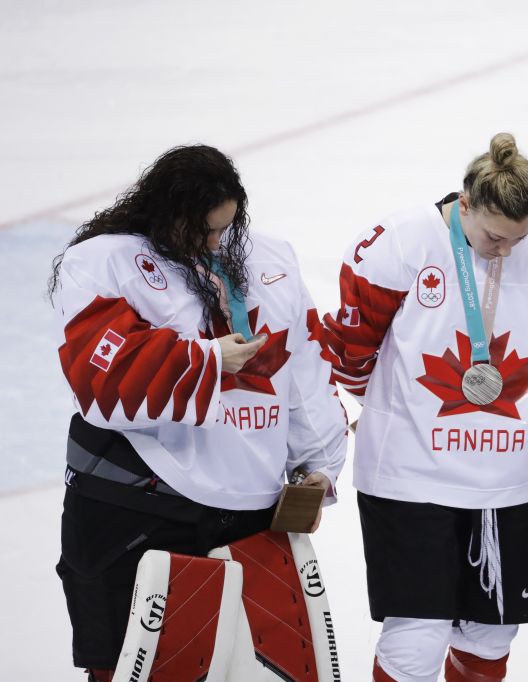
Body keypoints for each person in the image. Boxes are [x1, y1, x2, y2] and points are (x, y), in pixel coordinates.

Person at [50, 144, 347, 681]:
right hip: (141, 511)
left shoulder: (270, 258)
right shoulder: (103, 260)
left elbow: (304, 369)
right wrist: (208, 360)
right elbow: (99, 383)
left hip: (251, 519)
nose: (214, 243)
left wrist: (318, 463)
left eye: (224, 228)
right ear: (165, 212)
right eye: (202, 230)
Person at [322, 132, 528, 682]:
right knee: (416, 639)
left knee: (491, 637)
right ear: (464, 204)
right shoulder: (400, 244)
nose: (507, 249)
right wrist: (390, 406)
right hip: (412, 478)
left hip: (510, 477)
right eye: (493, 236)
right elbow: (349, 351)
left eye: (520, 236)